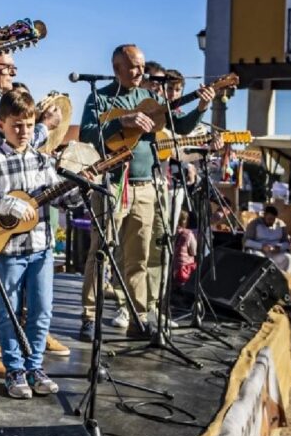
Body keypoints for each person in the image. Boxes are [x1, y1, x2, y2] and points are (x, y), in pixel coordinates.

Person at [77, 44, 213, 341]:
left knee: (138, 256)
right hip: (111, 184)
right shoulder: (98, 97)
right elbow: (87, 132)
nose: (139, 72)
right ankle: (89, 315)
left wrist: (201, 107)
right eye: (133, 67)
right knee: (101, 252)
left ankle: (139, 317)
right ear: (117, 69)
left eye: (140, 66)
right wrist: (121, 122)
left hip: (146, 187)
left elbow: (181, 126)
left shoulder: (150, 97)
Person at [0, 88, 83, 398]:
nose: (23, 131)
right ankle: (14, 370)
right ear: (3, 124)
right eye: (16, 125)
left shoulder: (42, 161)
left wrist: (82, 188)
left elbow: (62, 199)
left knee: (42, 310)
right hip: (9, 251)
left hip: (42, 248)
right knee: (9, 312)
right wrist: (6, 204)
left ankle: (34, 367)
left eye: (29, 125)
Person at [0, 52, 66, 378]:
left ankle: (23, 337)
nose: (12, 73)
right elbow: (19, 139)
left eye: (13, 69)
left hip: (9, 200)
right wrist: (44, 126)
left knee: (10, 283)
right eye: (7, 68)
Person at [243, 205, 291, 273]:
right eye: (269, 219)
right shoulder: (254, 224)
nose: (271, 221)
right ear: (264, 216)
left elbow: (287, 243)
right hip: (259, 251)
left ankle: (285, 280)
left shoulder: (281, 225)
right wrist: (262, 246)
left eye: (273, 219)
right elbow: (246, 242)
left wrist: (279, 247)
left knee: (289, 258)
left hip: (274, 253)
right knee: (258, 257)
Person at [172, 211, 198, 286]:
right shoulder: (188, 234)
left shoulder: (171, 232)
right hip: (184, 269)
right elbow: (194, 252)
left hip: (172, 267)